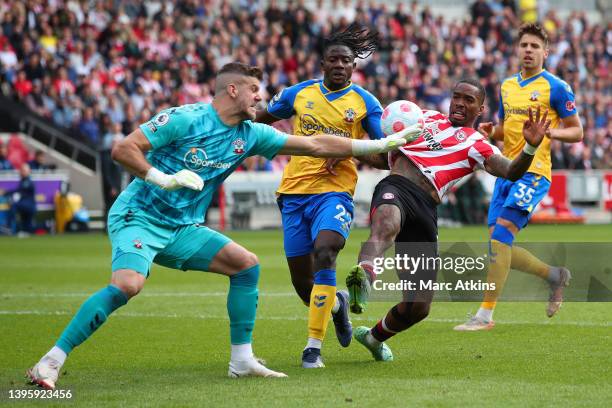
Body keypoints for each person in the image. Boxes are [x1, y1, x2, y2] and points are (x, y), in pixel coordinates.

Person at [26, 62, 422, 389]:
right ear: (232, 90)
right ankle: (50, 361)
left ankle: (242, 360)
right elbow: (123, 148)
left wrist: (376, 146)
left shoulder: (250, 135)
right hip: (140, 217)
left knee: (246, 265)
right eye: (255, 91)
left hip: (182, 226)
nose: (261, 99)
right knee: (128, 285)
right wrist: (161, 178)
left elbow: (315, 144)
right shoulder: (186, 118)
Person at [344, 78, 551, 361]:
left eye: (469, 100)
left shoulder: (478, 144)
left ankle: (373, 338)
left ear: (480, 109)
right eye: (457, 97)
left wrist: (529, 148)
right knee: (386, 227)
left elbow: (511, 171)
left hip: (427, 208)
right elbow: (384, 157)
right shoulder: (422, 117)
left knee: (418, 307)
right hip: (397, 187)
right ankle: (363, 277)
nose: (460, 104)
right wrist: (348, 150)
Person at [255, 24, 385, 368]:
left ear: (353, 67)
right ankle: (339, 305)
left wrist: (345, 151)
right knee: (303, 284)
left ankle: (313, 348)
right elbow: (259, 121)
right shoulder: (297, 94)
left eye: (346, 60)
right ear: (323, 64)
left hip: (335, 192)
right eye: (334, 60)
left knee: (326, 251)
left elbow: (383, 154)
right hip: (294, 192)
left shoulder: (365, 103)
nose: (340, 64)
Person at [454, 23, 583, 331]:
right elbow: (505, 127)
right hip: (507, 171)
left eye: (535, 46)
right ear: (517, 49)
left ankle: (484, 315)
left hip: (534, 173)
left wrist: (549, 132)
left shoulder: (557, 87)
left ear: (545, 52)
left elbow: (577, 130)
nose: (528, 50)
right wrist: (491, 131)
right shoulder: (508, 85)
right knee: (498, 245)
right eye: (524, 45)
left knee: (500, 238)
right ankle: (554, 276)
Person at [3, 164, 36, 235]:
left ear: (28, 172)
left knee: (14, 205)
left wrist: (5, 192)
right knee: (27, 227)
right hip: (25, 205)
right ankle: (47, 225)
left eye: (23, 171)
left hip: (28, 205)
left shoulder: (28, 182)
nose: (21, 172)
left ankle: (8, 226)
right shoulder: (23, 181)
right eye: (21, 171)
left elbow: (19, 191)